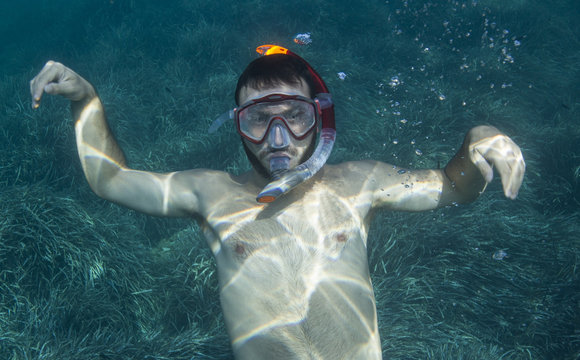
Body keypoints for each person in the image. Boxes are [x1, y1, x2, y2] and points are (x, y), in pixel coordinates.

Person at [30, 45, 525, 360]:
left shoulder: (361, 182)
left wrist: (480, 138)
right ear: (239, 126)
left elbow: (453, 187)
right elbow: (110, 179)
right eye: (258, 120)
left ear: (321, 120)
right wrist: (86, 100)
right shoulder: (211, 193)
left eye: (295, 115)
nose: (278, 137)